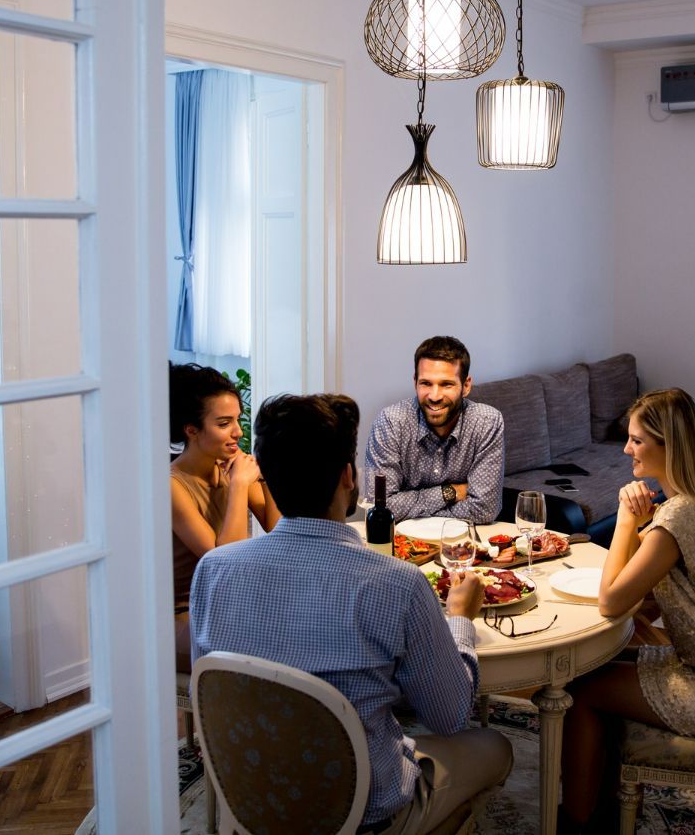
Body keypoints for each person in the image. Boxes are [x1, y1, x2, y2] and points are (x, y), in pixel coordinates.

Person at [190, 393, 513, 834]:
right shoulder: (398, 583)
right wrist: (459, 617)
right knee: (494, 746)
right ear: (348, 476)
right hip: (362, 813)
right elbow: (449, 715)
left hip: (254, 794)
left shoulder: (213, 570)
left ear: (263, 473)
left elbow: (216, 687)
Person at [558, 388, 695, 833]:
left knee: (581, 689)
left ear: (669, 445)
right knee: (597, 664)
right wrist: (638, 533)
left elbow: (611, 600)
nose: (626, 449)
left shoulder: (677, 518)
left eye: (636, 440)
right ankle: (602, 808)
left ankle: (576, 823)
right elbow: (646, 600)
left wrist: (625, 520)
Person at [168, 362, 280, 671]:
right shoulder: (172, 486)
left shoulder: (230, 466)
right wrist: (240, 486)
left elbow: (278, 530)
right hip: (185, 617)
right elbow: (226, 563)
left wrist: (265, 475)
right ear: (191, 430)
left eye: (238, 420)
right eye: (224, 423)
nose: (238, 432)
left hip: (230, 604)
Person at [363, 335, 505, 523]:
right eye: (426, 383)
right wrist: (451, 492)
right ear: (415, 382)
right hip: (402, 539)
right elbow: (379, 508)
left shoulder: (486, 422)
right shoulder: (391, 422)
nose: (435, 396)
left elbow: (484, 510)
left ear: (466, 386)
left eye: (446, 384)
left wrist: (410, 509)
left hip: (464, 539)